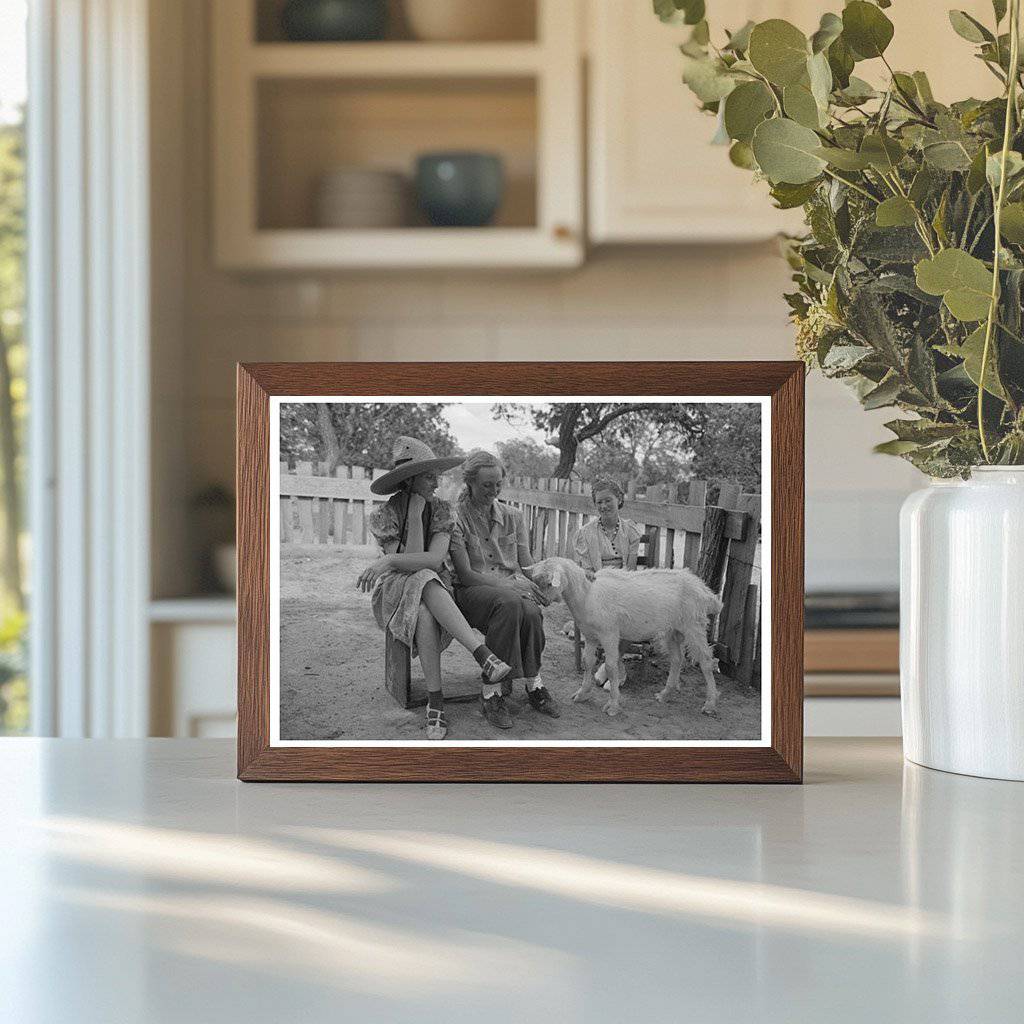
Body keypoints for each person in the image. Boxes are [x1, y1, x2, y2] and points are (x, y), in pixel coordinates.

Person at [358, 437, 513, 741]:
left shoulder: (442, 510)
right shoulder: (384, 515)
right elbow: (414, 564)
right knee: (423, 579)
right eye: (429, 477)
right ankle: (483, 655)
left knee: (427, 605)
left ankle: (436, 703)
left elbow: (432, 559)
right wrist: (414, 516)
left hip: (435, 591)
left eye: (435, 476)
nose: (436, 483)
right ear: (409, 480)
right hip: (395, 593)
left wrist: (389, 558)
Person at [449, 450, 560, 730]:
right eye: (487, 485)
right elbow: (465, 574)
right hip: (472, 592)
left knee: (532, 611)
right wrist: (511, 585)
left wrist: (545, 580)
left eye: (498, 484)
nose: (494, 490)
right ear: (470, 483)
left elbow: (527, 565)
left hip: (510, 592)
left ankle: (534, 684)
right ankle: (491, 692)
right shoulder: (456, 518)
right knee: (511, 602)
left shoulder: (514, 516)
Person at [572, 479, 644, 686]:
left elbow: (630, 568)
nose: (603, 506)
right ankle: (614, 666)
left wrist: (621, 586)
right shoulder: (586, 533)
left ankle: (610, 663)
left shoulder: (630, 531)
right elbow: (586, 569)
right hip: (596, 585)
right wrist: (603, 584)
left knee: (633, 611)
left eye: (608, 500)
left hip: (623, 583)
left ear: (619, 499)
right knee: (609, 611)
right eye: (599, 502)